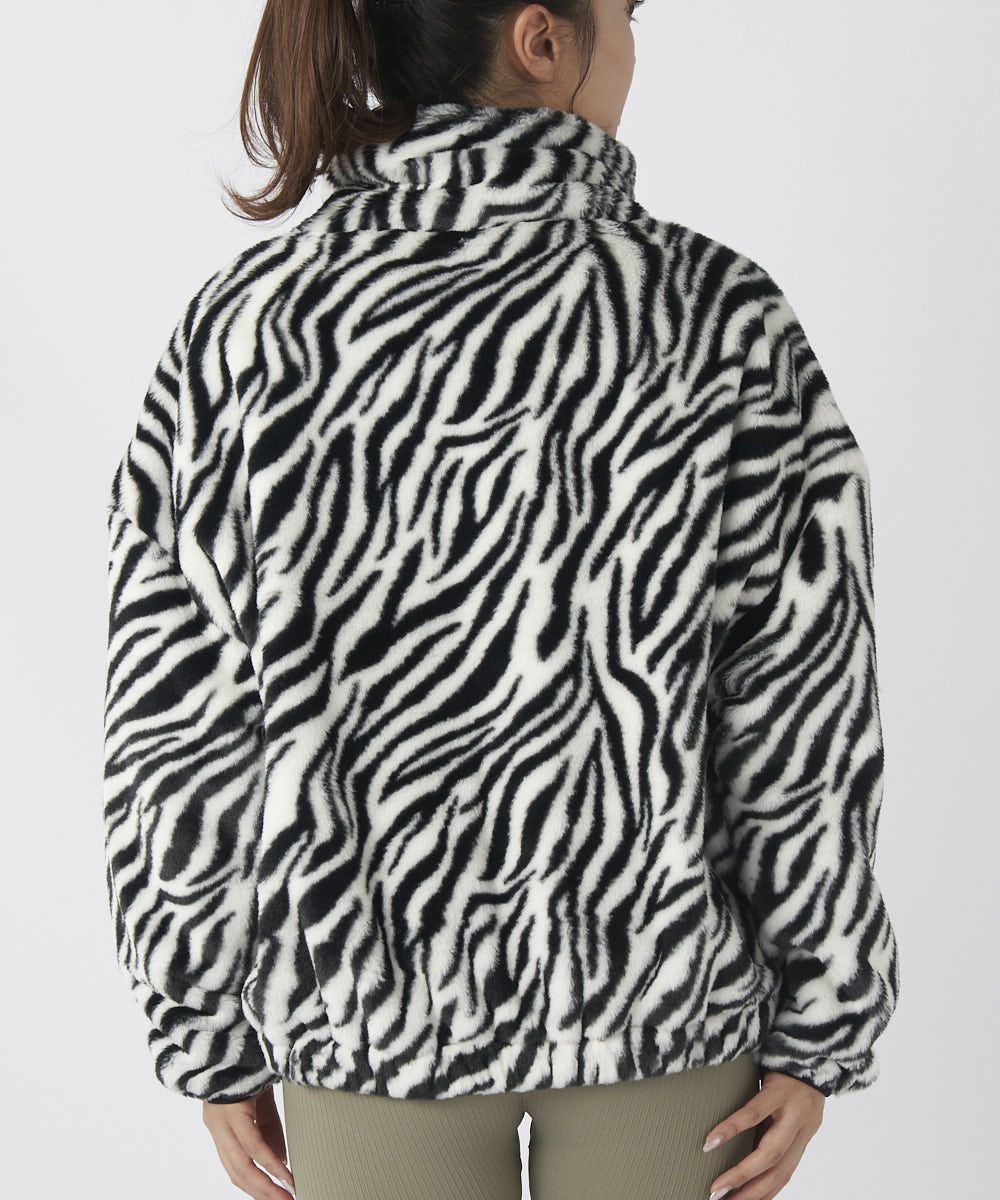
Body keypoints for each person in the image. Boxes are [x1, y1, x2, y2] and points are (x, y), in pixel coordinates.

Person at [100, 1, 901, 1198]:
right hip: (660, 1004)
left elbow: (174, 722)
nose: (632, 43)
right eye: (622, 13)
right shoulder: (715, 315)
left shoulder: (249, 329)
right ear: (542, 38)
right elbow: (801, 702)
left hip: (364, 1021)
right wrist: (822, 1013)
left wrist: (201, 1026)